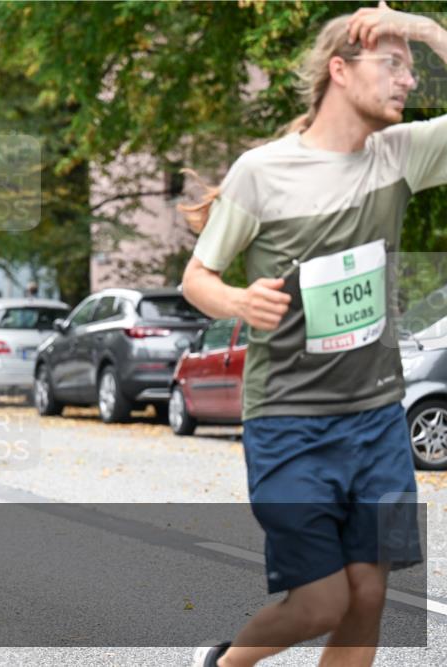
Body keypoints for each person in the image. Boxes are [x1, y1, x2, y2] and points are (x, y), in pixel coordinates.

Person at [182, 5, 445, 666]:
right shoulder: (262, 173)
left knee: (368, 596)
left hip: (379, 421)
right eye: (392, 64)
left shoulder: (401, 155)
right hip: (290, 422)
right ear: (339, 69)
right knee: (321, 601)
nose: (408, 81)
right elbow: (197, 276)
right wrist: (237, 298)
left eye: (411, 69)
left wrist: (425, 30)